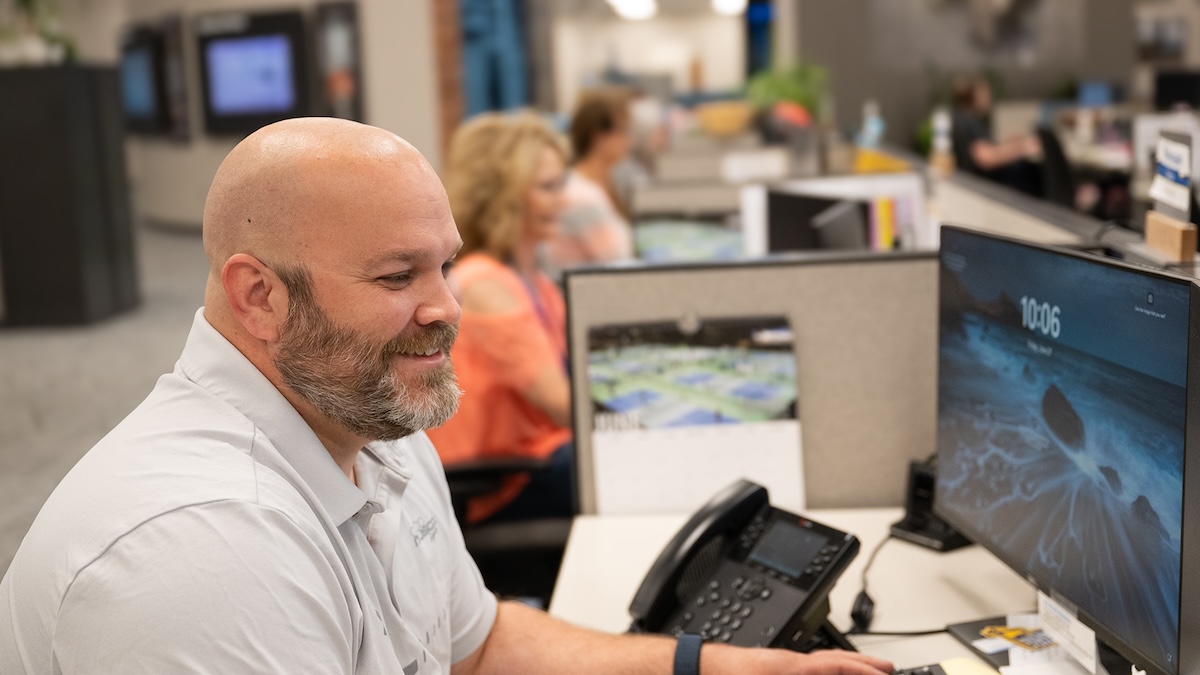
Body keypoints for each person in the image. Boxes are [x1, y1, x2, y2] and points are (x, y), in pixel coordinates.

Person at [0, 117, 894, 675]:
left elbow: (478, 647)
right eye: (397, 275)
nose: (448, 309)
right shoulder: (199, 554)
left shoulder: (371, 422)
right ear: (259, 296)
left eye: (446, 265)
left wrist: (713, 666)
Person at [426, 111, 574, 524]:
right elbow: (565, 405)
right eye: (548, 187)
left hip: (541, 459)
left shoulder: (536, 282)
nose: (564, 199)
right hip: (506, 482)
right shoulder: (485, 284)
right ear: (505, 197)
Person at [543, 87, 637, 276]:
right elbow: (619, 264)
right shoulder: (581, 196)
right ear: (599, 137)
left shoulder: (605, 182)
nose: (630, 140)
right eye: (623, 131)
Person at [950, 75, 1043, 197]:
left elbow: (986, 147)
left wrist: (1011, 144)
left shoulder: (965, 117)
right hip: (995, 186)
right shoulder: (967, 121)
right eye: (985, 94)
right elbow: (985, 158)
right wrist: (1020, 149)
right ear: (974, 96)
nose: (988, 98)